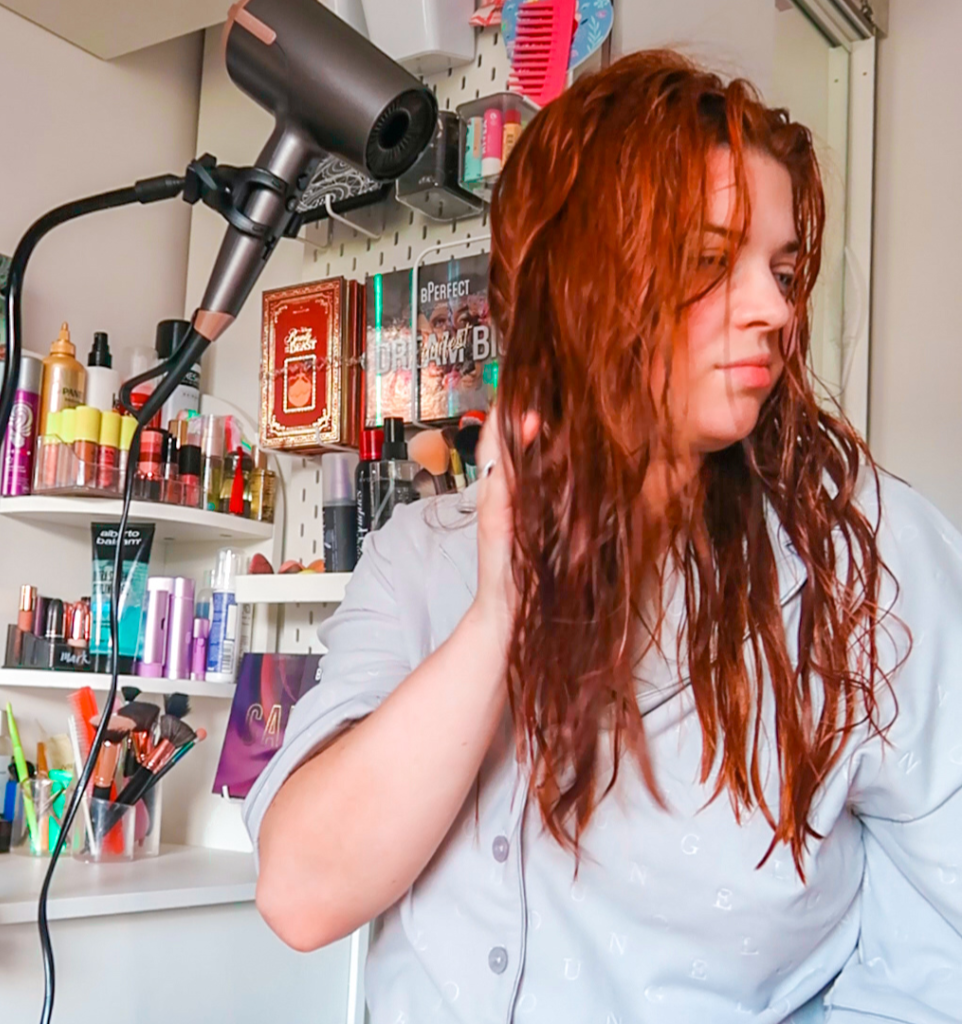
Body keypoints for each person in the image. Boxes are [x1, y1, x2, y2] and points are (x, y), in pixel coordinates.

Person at [245, 51, 962, 1023]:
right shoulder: (423, 554)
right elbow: (302, 891)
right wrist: (503, 613)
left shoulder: (869, 559)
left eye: (782, 270)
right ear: (585, 279)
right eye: (712, 262)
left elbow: (937, 959)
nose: (775, 310)